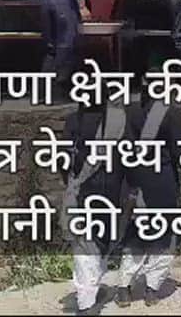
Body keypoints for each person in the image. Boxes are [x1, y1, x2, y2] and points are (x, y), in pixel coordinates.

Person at [116, 83, 181, 308]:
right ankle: (152, 288)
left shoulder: (129, 112)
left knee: (136, 234)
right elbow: (179, 150)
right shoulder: (170, 114)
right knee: (163, 236)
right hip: (162, 181)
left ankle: (124, 287)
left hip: (136, 181)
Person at [63, 79, 130, 313]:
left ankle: (86, 301)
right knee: (103, 239)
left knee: (84, 244)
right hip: (112, 189)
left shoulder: (74, 121)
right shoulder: (119, 121)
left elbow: (63, 160)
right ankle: (91, 290)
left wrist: (72, 184)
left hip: (84, 189)